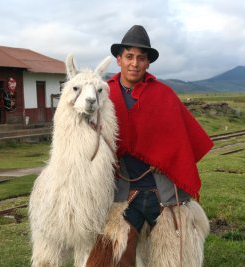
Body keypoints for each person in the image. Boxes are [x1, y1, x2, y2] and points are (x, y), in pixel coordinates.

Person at [86, 25, 214, 267]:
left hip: (162, 193)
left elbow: (184, 142)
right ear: (119, 59)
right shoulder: (105, 95)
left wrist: (168, 160)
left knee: (173, 259)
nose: (134, 63)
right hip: (121, 192)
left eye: (141, 58)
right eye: (129, 57)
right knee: (110, 259)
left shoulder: (163, 95)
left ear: (148, 64)